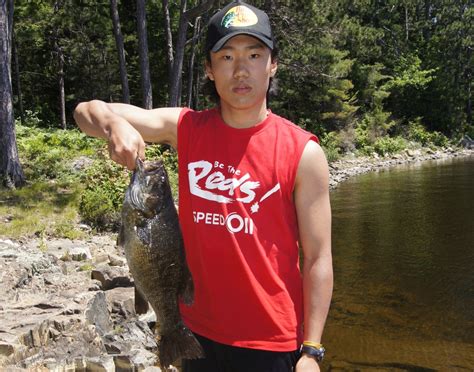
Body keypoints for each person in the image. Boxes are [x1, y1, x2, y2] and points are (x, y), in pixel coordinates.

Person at [74, 1, 333, 371]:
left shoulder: (303, 152)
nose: (241, 69)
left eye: (254, 54)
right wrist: (113, 126)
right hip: (196, 331)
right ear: (210, 70)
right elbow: (86, 112)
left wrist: (312, 349)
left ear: (272, 64)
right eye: (226, 56)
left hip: (273, 341)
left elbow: (319, 258)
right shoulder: (187, 128)